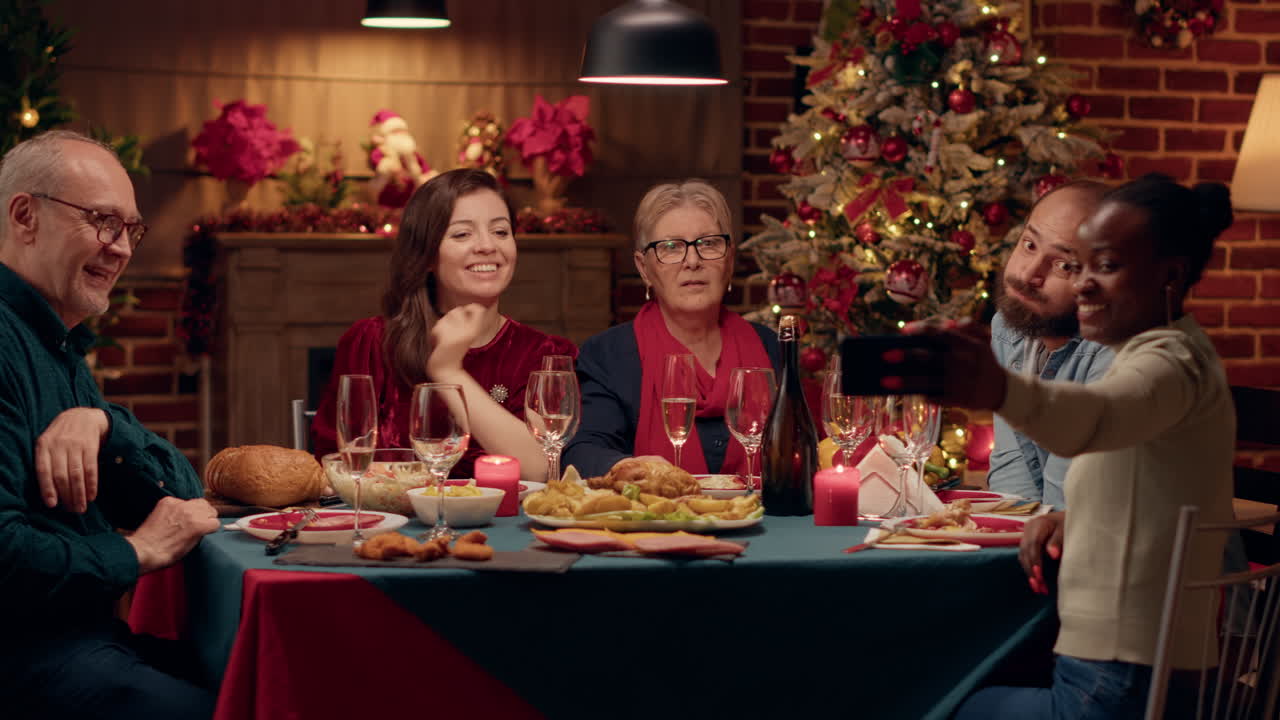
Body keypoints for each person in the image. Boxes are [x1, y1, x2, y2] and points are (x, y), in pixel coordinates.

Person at [915, 174, 1237, 719]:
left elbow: (1096, 417)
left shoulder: (1167, 361)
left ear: (1171, 275)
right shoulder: (1166, 351)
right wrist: (1072, 519)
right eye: (1079, 265)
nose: (1084, 284)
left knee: (927, 696)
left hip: (1118, 682)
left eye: (1103, 267)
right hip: (1111, 669)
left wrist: (997, 387)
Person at [0, 130, 220, 719]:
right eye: (102, 221)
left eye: (130, 229)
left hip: (82, 646)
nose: (121, 248)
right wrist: (135, 552)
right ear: (25, 215)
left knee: (273, 686)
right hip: (26, 660)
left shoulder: (59, 342)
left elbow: (183, 493)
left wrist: (100, 422)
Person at [311, 168, 575, 482]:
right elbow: (335, 468)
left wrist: (449, 370)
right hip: (386, 525)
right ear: (427, 256)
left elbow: (540, 469)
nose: (487, 246)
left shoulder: (544, 355)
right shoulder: (370, 342)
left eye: (501, 232)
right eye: (462, 234)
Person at [563, 180, 780, 479]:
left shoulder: (769, 346)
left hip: (763, 520)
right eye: (671, 247)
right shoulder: (608, 355)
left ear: (729, 260)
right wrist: (634, 470)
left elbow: (803, 448)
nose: (692, 261)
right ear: (643, 268)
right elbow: (583, 451)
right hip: (653, 519)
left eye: (709, 244)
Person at [987, 180, 1113, 509]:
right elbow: (1013, 479)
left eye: (1063, 265)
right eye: (1029, 245)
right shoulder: (1008, 329)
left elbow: (1069, 507)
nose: (1029, 274)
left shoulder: (1120, 355)